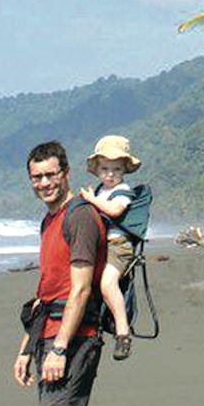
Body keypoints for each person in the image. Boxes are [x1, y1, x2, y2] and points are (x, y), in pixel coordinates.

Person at [12, 140, 109, 406]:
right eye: (37, 177)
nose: (44, 183)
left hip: (74, 336)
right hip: (49, 333)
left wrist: (60, 348)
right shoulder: (50, 220)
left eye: (51, 174)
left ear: (66, 173)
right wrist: (26, 348)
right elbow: (47, 291)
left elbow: (81, 289)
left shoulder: (80, 217)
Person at [79, 134, 152, 359]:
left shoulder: (122, 191)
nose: (110, 174)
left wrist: (91, 200)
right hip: (101, 245)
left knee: (108, 284)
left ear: (124, 170)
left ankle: (123, 333)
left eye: (116, 169)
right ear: (97, 169)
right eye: (105, 169)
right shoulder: (100, 190)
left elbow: (114, 211)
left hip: (119, 247)